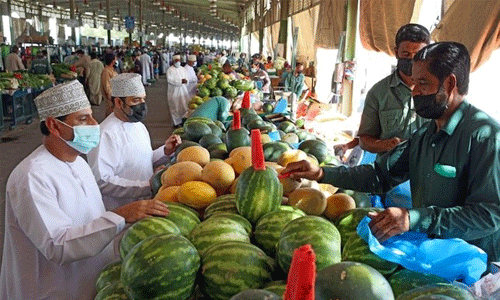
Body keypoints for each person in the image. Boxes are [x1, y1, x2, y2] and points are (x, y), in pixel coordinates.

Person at [282, 42, 500, 264]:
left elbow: (488, 215)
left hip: (477, 266)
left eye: (422, 84)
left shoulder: (485, 137)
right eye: (414, 83)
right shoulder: (425, 135)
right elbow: (380, 175)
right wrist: (321, 174)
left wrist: (413, 218)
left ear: (450, 83)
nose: (414, 92)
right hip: (432, 257)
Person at [0, 80, 169, 299]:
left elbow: (90, 219)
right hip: (51, 289)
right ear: (54, 126)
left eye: (91, 115)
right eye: (82, 119)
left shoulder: (78, 161)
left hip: (89, 278)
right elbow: (57, 245)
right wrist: (120, 215)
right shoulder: (31, 176)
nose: (93, 123)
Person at [88, 73, 181, 210]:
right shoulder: (105, 133)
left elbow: (143, 160)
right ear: (119, 102)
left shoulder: (138, 125)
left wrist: (165, 151)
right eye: (136, 100)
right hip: (123, 208)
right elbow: (103, 180)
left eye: (143, 99)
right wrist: (147, 185)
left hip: (145, 203)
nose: (142, 105)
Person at [358, 24, 430, 156]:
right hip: (389, 171)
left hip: (425, 172)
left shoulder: (437, 91)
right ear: (396, 52)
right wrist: (386, 144)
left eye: (418, 55)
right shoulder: (378, 93)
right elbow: (364, 140)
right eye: (406, 54)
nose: (411, 59)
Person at [167, 54, 190, 127]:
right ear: (173, 61)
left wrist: (186, 81)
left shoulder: (183, 69)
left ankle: (183, 121)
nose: (178, 62)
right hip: (174, 91)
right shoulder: (170, 70)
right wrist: (180, 81)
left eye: (179, 61)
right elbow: (170, 80)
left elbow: (187, 77)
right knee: (175, 107)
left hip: (183, 90)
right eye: (176, 61)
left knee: (184, 105)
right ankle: (176, 123)